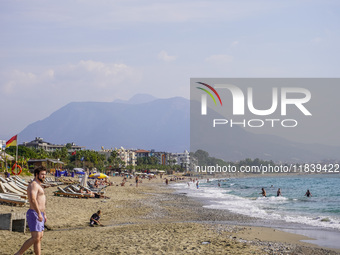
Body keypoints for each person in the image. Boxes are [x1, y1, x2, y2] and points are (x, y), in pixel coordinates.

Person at [16, 166, 47, 255]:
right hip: (34, 213)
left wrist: (43, 213)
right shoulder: (34, 185)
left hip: (39, 213)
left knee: (39, 237)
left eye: (44, 174)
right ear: (37, 174)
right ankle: (18, 253)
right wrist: (38, 213)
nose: (44, 176)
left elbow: (41, 201)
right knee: (35, 237)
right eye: (42, 174)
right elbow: (33, 199)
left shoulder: (39, 185)